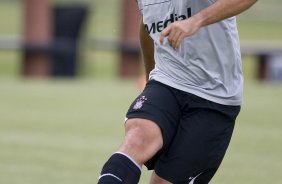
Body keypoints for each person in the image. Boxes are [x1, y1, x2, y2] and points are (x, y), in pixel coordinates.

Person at [98, 0, 257, 183]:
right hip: (166, 81)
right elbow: (146, 24)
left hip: (215, 96)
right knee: (136, 136)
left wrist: (196, 20)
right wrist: (151, 81)